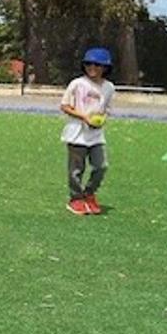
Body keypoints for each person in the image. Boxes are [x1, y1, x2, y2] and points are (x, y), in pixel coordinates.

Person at [60, 46, 115, 216]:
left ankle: (89, 194)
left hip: (96, 136)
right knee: (76, 170)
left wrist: (101, 120)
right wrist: (84, 117)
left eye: (97, 65)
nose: (92, 67)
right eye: (88, 64)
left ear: (105, 67)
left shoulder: (109, 87)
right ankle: (76, 199)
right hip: (77, 134)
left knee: (101, 166)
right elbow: (65, 106)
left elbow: (106, 109)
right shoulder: (77, 84)